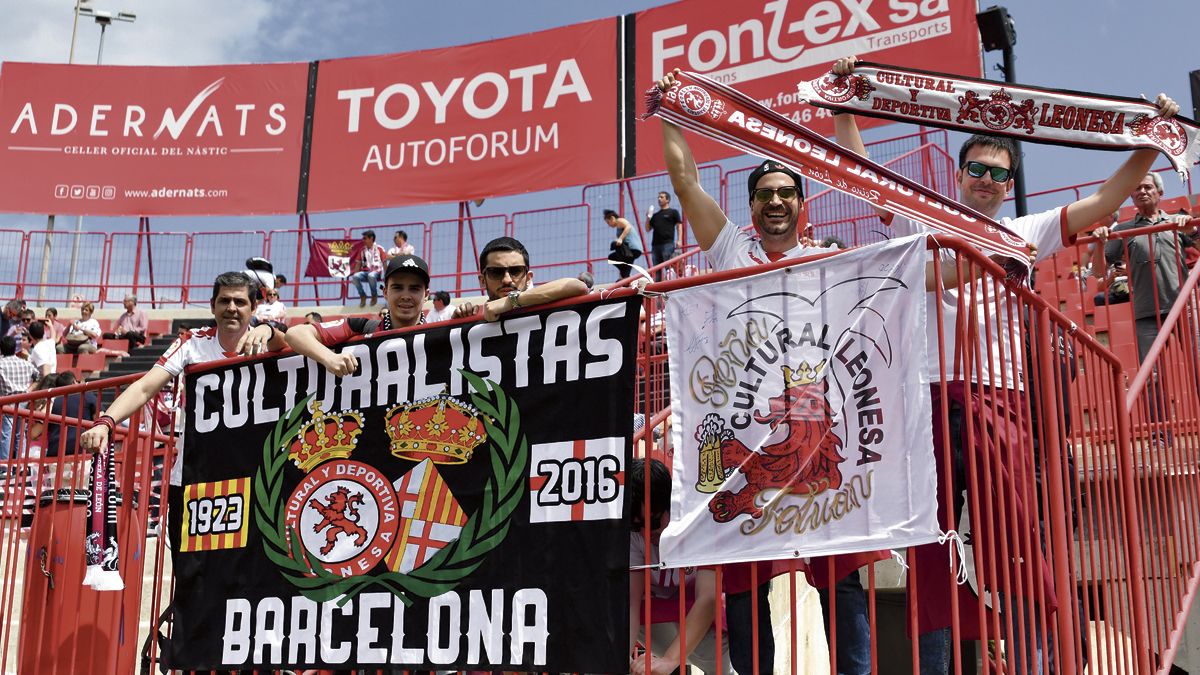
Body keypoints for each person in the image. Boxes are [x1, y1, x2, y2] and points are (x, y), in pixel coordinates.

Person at [832, 54, 1182, 674]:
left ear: (1009, 179)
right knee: (932, 547)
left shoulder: (1029, 227)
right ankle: (935, 665)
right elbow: (861, 177)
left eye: (999, 172)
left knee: (1019, 542)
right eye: (977, 169)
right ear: (961, 172)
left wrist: (1150, 145)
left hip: (1003, 395)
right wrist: (843, 103)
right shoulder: (923, 216)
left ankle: (1033, 663)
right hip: (929, 397)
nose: (987, 180)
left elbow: (1103, 203)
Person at [79, 272, 287, 474]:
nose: (231, 308)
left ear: (253, 308)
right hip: (196, 472)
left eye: (240, 302)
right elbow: (144, 388)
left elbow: (295, 342)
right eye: (225, 301)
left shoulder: (267, 340)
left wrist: (269, 330)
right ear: (213, 305)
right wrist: (105, 423)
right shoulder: (191, 342)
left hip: (253, 471)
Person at [628, 457, 731, 675]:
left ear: (671, 505)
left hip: (706, 617)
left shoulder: (697, 520)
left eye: (654, 522)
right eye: (638, 525)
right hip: (661, 617)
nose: (647, 533)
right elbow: (631, 604)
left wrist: (669, 660)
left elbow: (709, 597)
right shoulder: (633, 537)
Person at [1098, 173, 1196, 362]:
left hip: (1184, 307)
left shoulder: (1177, 221)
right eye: (1137, 188)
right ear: (1131, 196)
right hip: (1146, 312)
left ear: (1160, 192)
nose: (1142, 191)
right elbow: (1100, 270)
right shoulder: (1123, 230)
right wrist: (1100, 242)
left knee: (1198, 364)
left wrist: (1192, 232)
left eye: (1147, 187)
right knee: (1152, 376)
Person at [286, 255, 430, 376]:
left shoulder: (442, 336)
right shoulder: (361, 326)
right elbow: (295, 334)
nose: (405, 296)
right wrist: (329, 358)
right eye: (397, 287)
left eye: (414, 289)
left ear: (426, 295)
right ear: (385, 293)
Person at [451, 237, 589, 322]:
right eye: (495, 272)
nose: (506, 279)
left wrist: (512, 301)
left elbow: (578, 286)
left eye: (515, 271)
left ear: (529, 278)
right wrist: (457, 326)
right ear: (482, 280)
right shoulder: (473, 317)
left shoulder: (543, 305)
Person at [43, 371, 97, 458]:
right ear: (74, 382)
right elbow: (100, 419)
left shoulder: (53, 401)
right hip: (82, 452)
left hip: (55, 452)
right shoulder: (87, 395)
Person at [0, 335, 37, 461]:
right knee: (20, 434)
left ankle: (5, 465)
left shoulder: (1, 363)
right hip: (24, 399)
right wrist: (29, 390)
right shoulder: (25, 363)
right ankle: (20, 465)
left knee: (7, 433)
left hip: (8, 400)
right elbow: (38, 376)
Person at [647, 191, 684, 280]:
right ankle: (658, 289)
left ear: (667, 200)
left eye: (662, 197)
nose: (659, 199)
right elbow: (648, 229)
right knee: (656, 270)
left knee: (669, 268)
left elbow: (679, 226)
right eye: (659, 197)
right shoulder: (655, 216)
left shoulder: (673, 212)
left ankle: (671, 286)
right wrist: (648, 218)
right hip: (655, 246)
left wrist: (679, 240)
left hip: (667, 244)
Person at [350, 230, 387, 307]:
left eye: (365, 238)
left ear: (371, 238)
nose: (363, 240)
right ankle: (363, 296)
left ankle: (374, 295)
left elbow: (384, 262)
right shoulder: (362, 250)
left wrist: (386, 275)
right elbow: (358, 263)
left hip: (376, 272)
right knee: (355, 277)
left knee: (371, 275)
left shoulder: (379, 248)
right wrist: (354, 276)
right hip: (365, 272)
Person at [604, 209, 644, 279]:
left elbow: (628, 227)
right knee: (612, 258)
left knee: (615, 245)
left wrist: (620, 239)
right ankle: (625, 275)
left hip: (632, 249)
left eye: (608, 222)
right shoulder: (618, 227)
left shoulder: (620, 220)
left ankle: (625, 275)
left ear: (612, 218)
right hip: (630, 251)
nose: (608, 225)